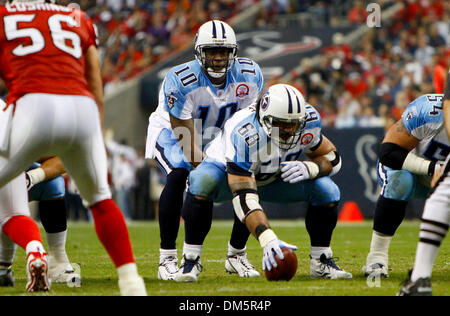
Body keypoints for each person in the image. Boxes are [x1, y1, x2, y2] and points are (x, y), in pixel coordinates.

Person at [0, 0, 146, 295]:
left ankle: (21, 256)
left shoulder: (4, 15)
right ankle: (132, 283)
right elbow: (94, 74)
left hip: (30, 106)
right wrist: (95, 125)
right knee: (102, 202)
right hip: (81, 108)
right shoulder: (75, 15)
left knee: (9, 208)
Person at [175, 83, 352, 282]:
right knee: (201, 181)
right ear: (265, 119)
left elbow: (333, 158)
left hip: (272, 176)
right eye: (281, 124)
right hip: (225, 175)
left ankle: (321, 260)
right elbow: (243, 197)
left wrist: (312, 168)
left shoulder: (308, 121)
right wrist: (267, 238)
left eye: (293, 124)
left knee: (327, 189)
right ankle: (191, 259)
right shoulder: (245, 132)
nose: (289, 131)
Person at [145, 20, 263, 280]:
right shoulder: (180, 79)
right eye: (211, 51)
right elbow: (184, 135)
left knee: (244, 172)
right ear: (199, 52)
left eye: (223, 51)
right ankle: (166, 258)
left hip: (218, 135)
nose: (219, 58)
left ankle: (236, 255)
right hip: (173, 132)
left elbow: (247, 124)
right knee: (180, 173)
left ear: (234, 51)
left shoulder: (249, 75)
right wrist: (204, 174)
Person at [362, 92, 447, 278]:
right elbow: (388, 152)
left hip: (443, 177)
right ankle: (377, 257)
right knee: (400, 182)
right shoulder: (429, 111)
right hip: (410, 170)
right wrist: (432, 167)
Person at [398, 70, 450, 296]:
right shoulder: (423, 110)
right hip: (415, 172)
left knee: (442, 194)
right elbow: (388, 151)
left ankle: (420, 278)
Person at [0, 156, 81, 287]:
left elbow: (63, 156)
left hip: (14, 172)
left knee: (53, 183)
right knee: (12, 214)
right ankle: (33, 254)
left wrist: (32, 177)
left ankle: (57, 261)